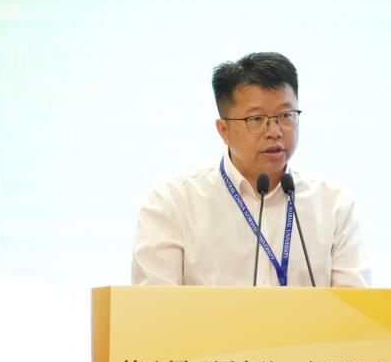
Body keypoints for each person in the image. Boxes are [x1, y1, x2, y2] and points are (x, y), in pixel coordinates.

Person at [131, 52, 370, 287]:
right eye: (256, 119)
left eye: (286, 115)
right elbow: (156, 306)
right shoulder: (172, 203)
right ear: (223, 130)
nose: (275, 131)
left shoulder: (334, 205)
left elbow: (355, 304)